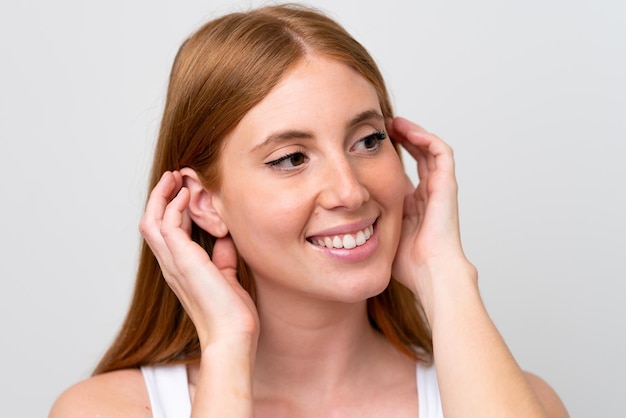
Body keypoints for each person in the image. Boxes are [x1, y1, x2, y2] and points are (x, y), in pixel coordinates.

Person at [50, 4, 569, 417]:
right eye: (291, 158)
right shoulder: (105, 410)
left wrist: (446, 277)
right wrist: (228, 352)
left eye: (367, 141)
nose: (349, 190)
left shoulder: (523, 403)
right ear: (205, 203)